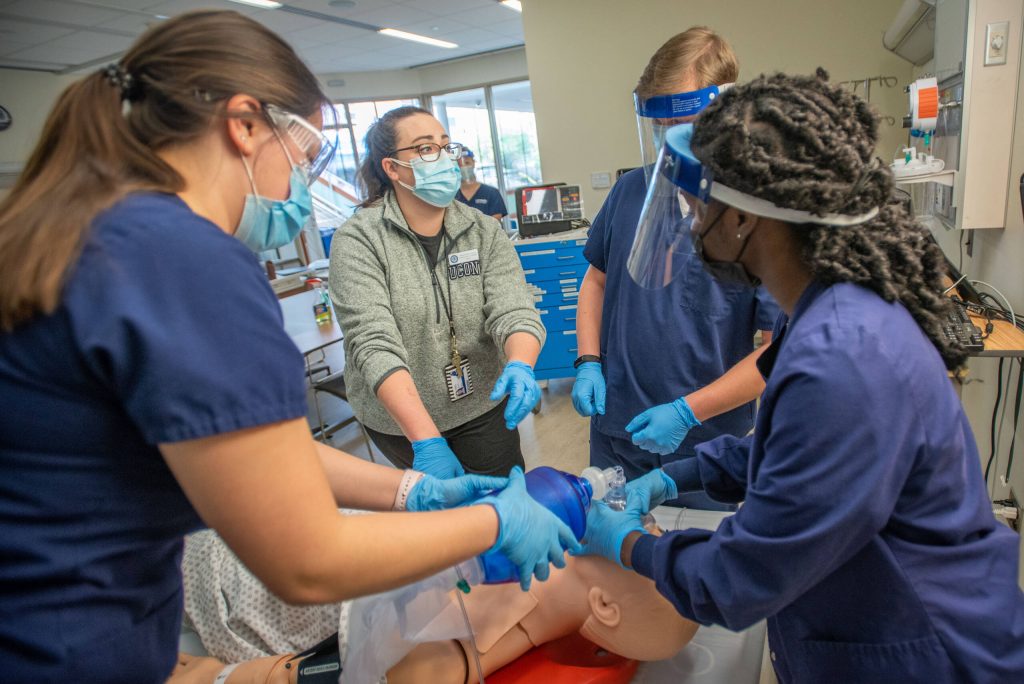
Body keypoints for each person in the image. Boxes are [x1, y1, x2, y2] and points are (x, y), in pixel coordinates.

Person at [0, 11, 578, 681]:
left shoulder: (88, 232)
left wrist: (409, 492)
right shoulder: (183, 258)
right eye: (304, 159)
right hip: (70, 645)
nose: (298, 189)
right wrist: (491, 524)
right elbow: (308, 559)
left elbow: (261, 447)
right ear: (245, 124)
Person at [581, 70, 1024, 682]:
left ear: (742, 221)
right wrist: (675, 477)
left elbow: (737, 581)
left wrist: (627, 545)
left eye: (695, 208)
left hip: (924, 653)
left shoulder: (843, 359)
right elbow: (789, 455)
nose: (688, 226)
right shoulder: (831, 308)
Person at [572, 27, 780, 508]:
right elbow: (596, 282)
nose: (672, 142)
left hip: (704, 446)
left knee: (692, 570)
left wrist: (689, 412)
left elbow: (778, 354)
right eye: (661, 128)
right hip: (617, 429)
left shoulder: (758, 216)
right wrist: (588, 364)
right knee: (615, 562)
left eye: (686, 124)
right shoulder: (630, 193)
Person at [171, 522, 695, 684]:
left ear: (604, 606)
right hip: (297, 537)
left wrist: (220, 678)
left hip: (248, 580)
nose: (636, 520)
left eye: (643, 539)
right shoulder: (538, 544)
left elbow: (349, 672)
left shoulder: (505, 625)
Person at [330, 108, 543, 478]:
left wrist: (521, 362)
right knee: (444, 521)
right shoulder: (359, 239)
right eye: (425, 148)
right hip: (401, 421)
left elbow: (513, 307)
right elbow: (372, 342)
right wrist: (425, 439)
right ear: (392, 169)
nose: (444, 159)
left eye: (446, 146)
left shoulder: (482, 230)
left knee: (503, 508)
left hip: (481, 402)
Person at [455, 147, 508, 220]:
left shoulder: (491, 193)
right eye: (459, 165)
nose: (464, 167)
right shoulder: (452, 197)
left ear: (473, 163)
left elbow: (494, 224)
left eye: (467, 163)